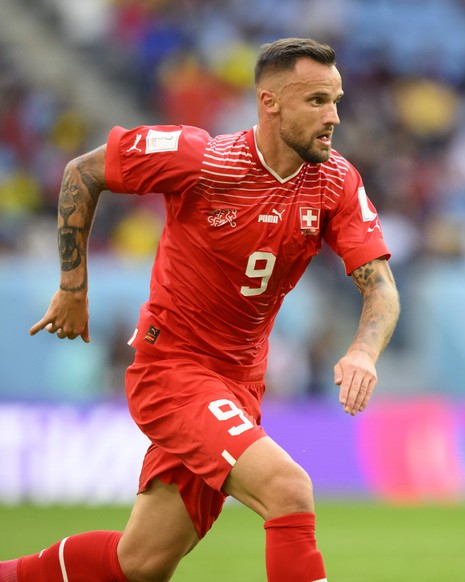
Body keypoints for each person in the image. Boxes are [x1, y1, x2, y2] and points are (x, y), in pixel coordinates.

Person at [0, 37, 400, 582]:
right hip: (174, 372)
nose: (333, 117)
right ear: (270, 103)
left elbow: (381, 288)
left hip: (239, 385)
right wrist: (73, 287)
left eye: (336, 100)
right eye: (316, 102)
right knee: (288, 489)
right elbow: (83, 172)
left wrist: (363, 351)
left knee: (140, 564)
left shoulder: (335, 182)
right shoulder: (199, 158)